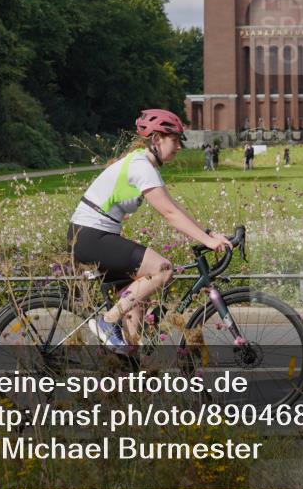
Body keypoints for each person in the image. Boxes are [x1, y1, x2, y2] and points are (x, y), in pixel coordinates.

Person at [67, 109, 232, 350]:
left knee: (135, 303)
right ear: (156, 139)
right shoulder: (140, 166)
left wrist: (209, 234)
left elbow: (173, 207)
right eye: (174, 140)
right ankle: (107, 322)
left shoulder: (143, 163)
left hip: (93, 236)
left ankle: (129, 368)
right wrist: (207, 241)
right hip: (90, 237)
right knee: (162, 269)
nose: (178, 147)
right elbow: (170, 214)